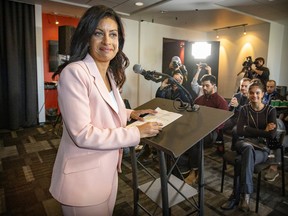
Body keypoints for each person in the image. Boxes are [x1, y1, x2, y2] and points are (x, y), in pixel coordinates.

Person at [49, 5, 163, 216]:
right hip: (82, 182)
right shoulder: (74, 73)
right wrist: (136, 132)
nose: (107, 42)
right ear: (86, 37)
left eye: (113, 34)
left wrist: (131, 114)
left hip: (107, 172)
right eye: (98, 33)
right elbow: (82, 134)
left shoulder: (110, 74)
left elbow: (104, 108)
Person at [221, 80, 277, 212]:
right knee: (247, 148)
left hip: (262, 149)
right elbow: (240, 131)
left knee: (241, 160)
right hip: (244, 143)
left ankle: (236, 196)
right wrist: (264, 132)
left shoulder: (271, 110)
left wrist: (248, 129)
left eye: (257, 93)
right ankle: (246, 197)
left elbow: (273, 135)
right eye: (251, 93)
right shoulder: (245, 109)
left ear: (263, 94)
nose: (254, 96)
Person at [183, 74, 228, 184]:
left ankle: (195, 170)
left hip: (212, 132)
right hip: (197, 129)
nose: (204, 88)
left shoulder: (220, 101)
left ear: (214, 86)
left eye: (207, 86)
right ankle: (184, 167)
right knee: (182, 136)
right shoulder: (199, 100)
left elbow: (222, 123)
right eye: (203, 86)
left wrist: (206, 128)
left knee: (195, 140)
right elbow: (192, 116)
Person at [224, 78, 250, 150]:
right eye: (242, 86)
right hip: (234, 118)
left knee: (236, 131)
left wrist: (237, 106)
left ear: (250, 86)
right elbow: (229, 109)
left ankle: (234, 149)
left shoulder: (252, 97)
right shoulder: (236, 95)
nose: (243, 88)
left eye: (245, 86)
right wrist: (231, 106)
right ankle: (220, 145)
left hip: (244, 121)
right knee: (220, 125)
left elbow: (248, 111)